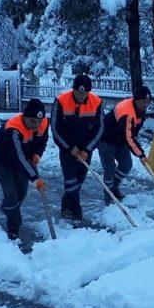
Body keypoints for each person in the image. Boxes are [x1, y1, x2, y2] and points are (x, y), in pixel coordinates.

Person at [0, 99, 49, 240]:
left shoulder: (43, 123)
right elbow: (19, 158)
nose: (36, 125)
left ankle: (8, 209)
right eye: (32, 121)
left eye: (39, 121)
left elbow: (42, 140)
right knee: (11, 193)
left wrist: (37, 153)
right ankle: (13, 228)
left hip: (23, 159)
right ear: (25, 117)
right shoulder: (13, 129)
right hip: (2, 161)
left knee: (21, 192)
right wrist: (35, 178)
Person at [50, 74, 104, 222]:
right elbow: (55, 128)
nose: (82, 95)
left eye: (85, 92)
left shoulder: (97, 102)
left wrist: (87, 149)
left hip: (86, 149)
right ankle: (75, 210)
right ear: (73, 89)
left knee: (79, 179)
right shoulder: (61, 101)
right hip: (67, 148)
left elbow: (99, 129)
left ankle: (66, 203)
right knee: (70, 179)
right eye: (79, 92)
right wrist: (69, 148)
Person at [98, 86, 152, 205]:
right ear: (136, 100)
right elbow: (128, 137)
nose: (146, 104)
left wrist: (138, 151)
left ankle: (114, 187)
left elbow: (132, 133)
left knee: (126, 164)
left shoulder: (141, 110)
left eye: (148, 102)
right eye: (143, 101)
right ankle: (108, 194)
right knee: (110, 169)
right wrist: (141, 154)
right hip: (106, 139)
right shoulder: (126, 112)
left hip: (120, 139)